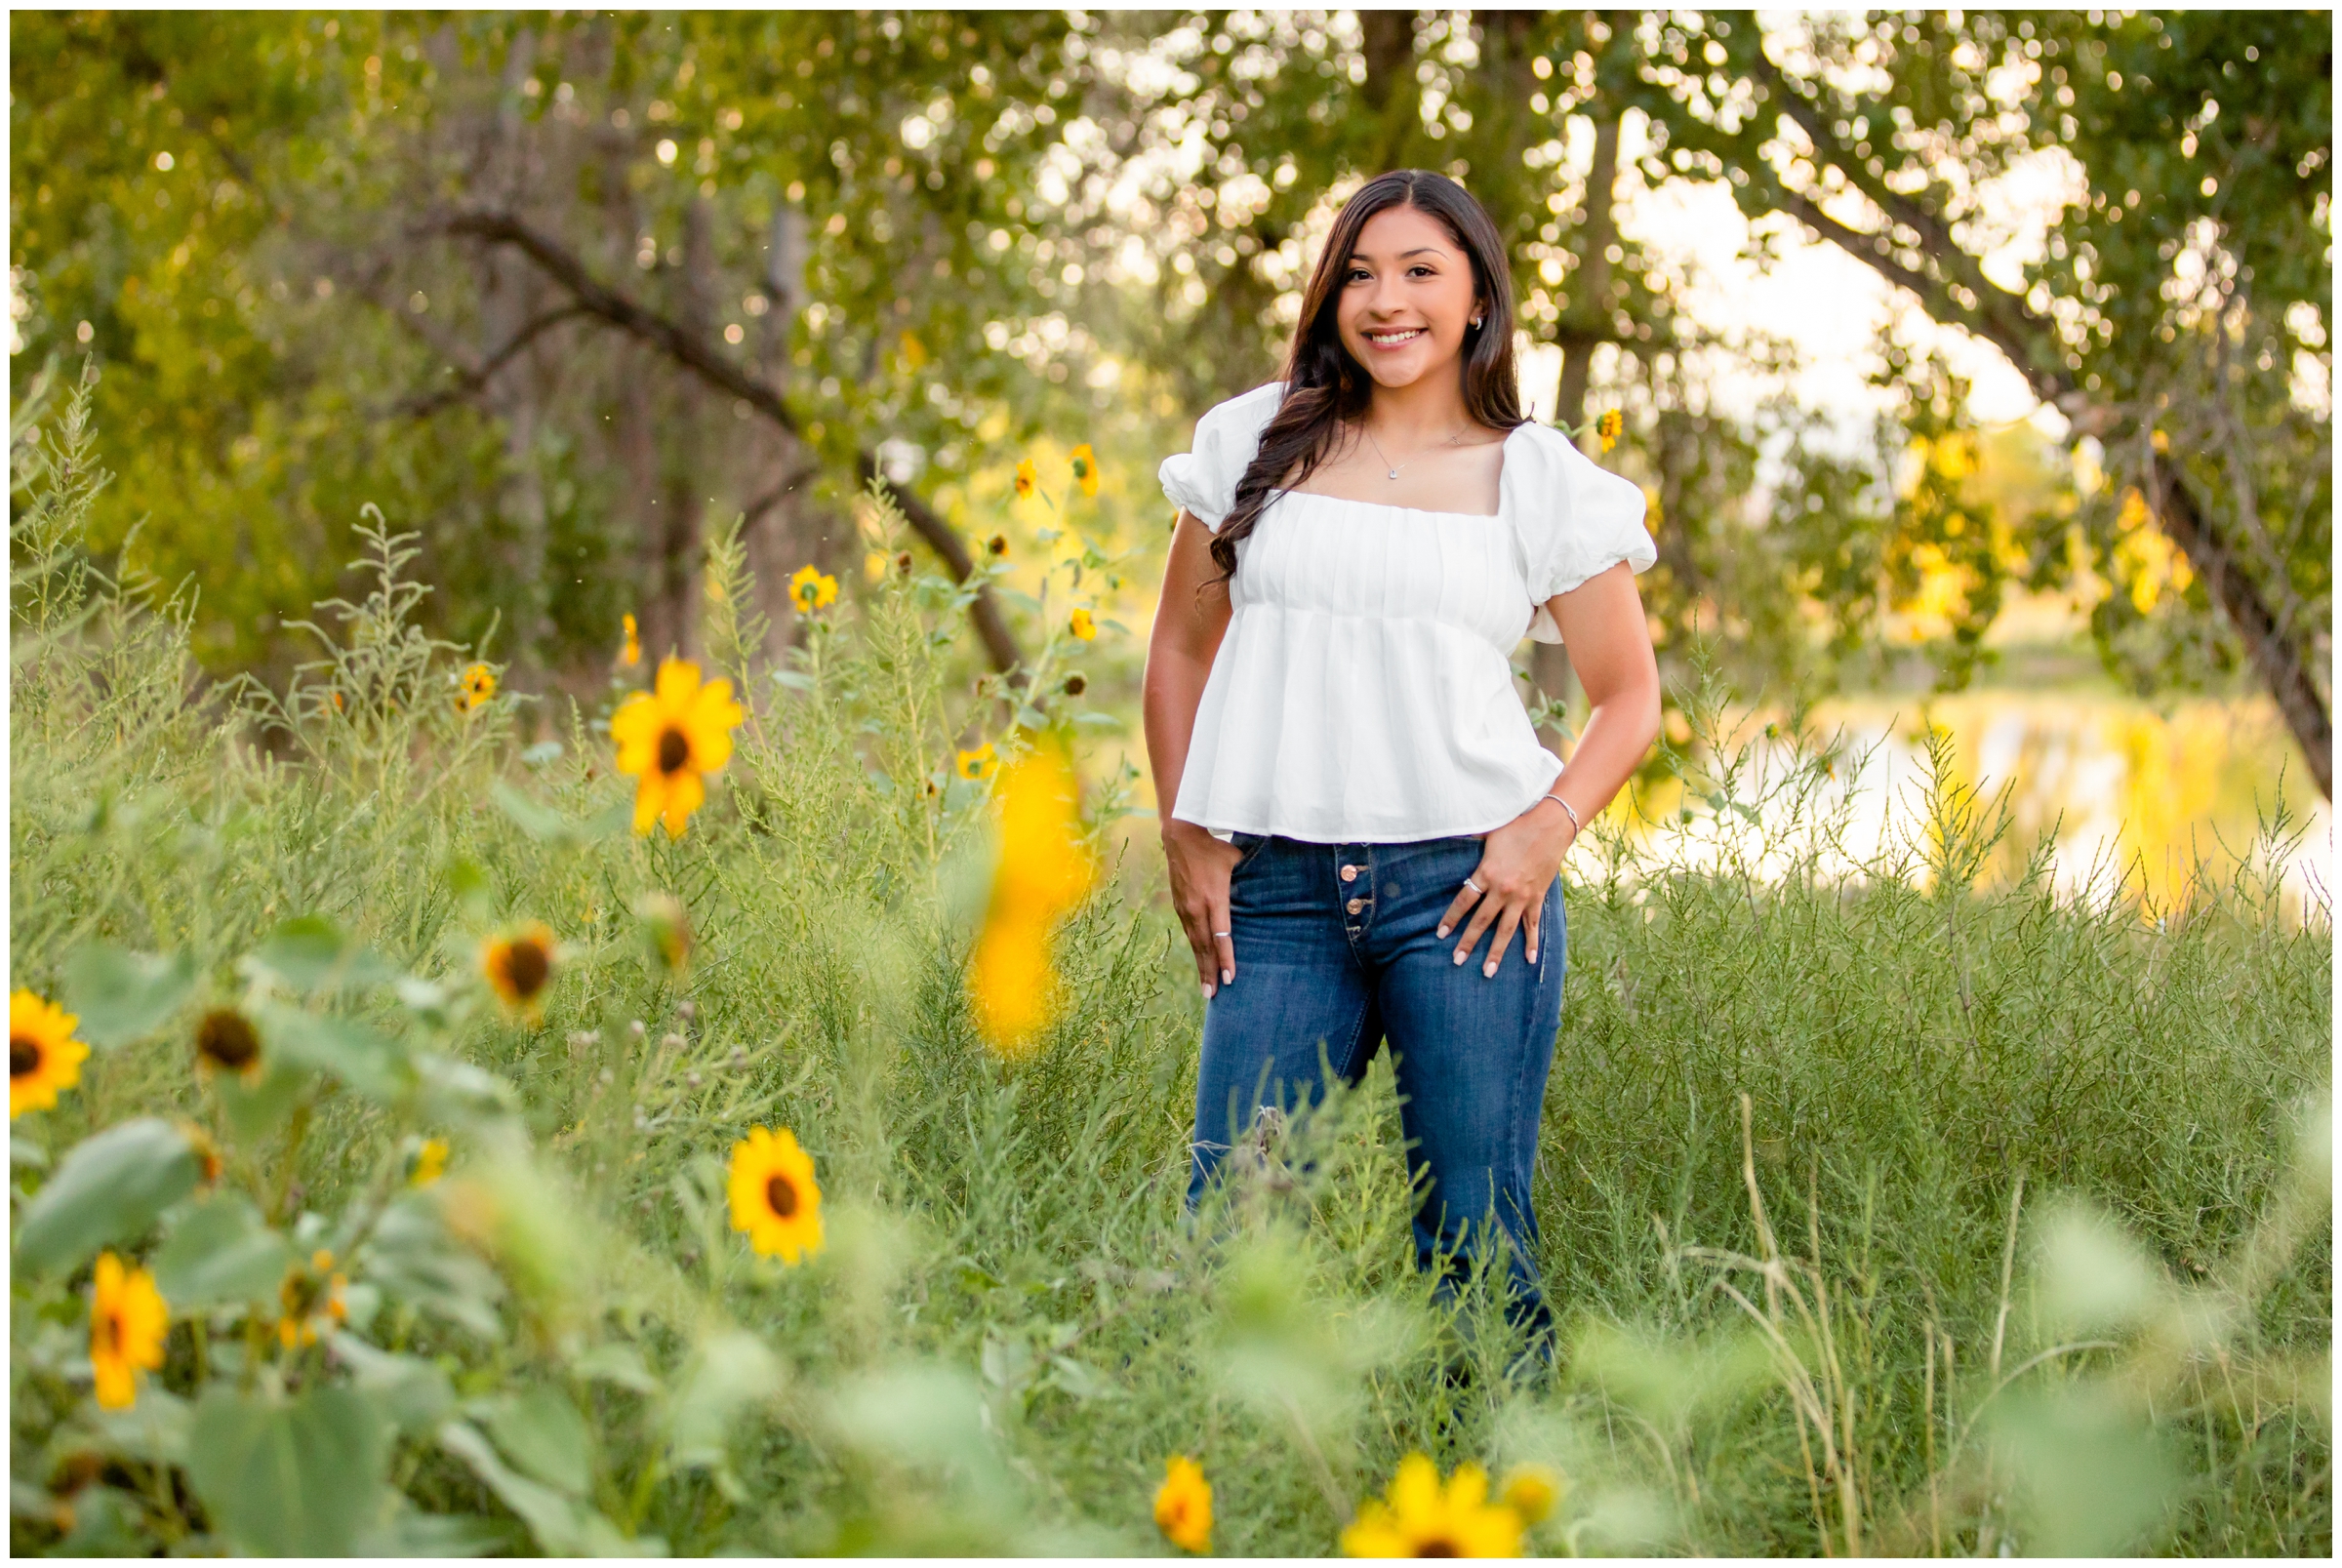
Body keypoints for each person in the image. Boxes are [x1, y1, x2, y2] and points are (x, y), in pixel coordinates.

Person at [1141, 169, 1661, 1354]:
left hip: (1467, 891)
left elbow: (1631, 698)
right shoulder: (1251, 440)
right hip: (1272, 892)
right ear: (1330, 296)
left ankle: (1500, 1513)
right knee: (1231, 1234)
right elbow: (1175, 648)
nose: (1389, 300)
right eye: (1362, 273)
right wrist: (1185, 823)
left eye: (1422, 270)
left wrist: (1547, 828)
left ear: (1477, 294)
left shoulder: (1541, 479)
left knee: (1474, 1239)